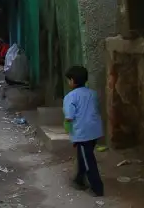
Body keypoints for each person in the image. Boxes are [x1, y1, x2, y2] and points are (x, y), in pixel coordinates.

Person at [63, 66, 104, 197]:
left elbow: (69, 117)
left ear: (72, 81)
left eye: (68, 80)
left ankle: (97, 188)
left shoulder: (70, 97)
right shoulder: (92, 93)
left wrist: (68, 128)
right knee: (84, 156)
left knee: (88, 160)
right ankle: (79, 180)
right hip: (94, 131)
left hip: (82, 132)